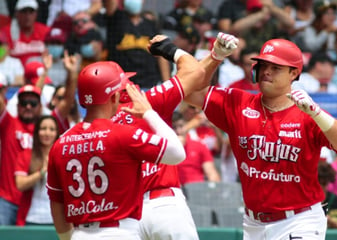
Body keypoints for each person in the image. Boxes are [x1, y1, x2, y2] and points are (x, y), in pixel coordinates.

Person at [185, 38, 337, 239]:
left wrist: (317, 113)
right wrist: (215, 57)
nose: (266, 71)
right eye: (263, 65)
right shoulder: (238, 103)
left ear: (294, 73)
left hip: (299, 220)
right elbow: (189, 91)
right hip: (253, 223)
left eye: (276, 67)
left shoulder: (308, 113)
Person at [112, 32, 238, 240]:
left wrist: (215, 56)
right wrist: (169, 49)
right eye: (125, 82)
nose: (130, 84)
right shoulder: (148, 101)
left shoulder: (93, 127)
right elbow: (193, 72)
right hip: (163, 204)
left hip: (123, 214)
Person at [46, 61, 187, 240]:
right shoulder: (122, 135)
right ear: (113, 97)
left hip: (80, 234)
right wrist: (149, 113)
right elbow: (177, 154)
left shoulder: (60, 143)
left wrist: (68, 238)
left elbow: (57, 205)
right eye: (119, 92)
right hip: (120, 233)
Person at [0, 84, 43, 225]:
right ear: (18, 105)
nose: (28, 106)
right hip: (6, 201)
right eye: (24, 103)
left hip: (34, 205)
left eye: (33, 103)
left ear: (40, 106)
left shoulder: (46, 130)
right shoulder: (9, 124)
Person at [104, 0, 170, 88]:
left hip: (149, 84)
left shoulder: (150, 24)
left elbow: (161, 55)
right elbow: (110, 4)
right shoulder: (116, 19)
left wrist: (167, 84)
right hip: (121, 85)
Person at [15, 115, 60, 226]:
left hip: (57, 220)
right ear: (37, 132)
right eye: (43, 128)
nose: (47, 133)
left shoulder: (62, 156)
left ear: (57, 133)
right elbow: (20, 184)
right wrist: (41, 172)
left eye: (52, 129)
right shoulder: (26, 155)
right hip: (31, 218)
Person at [173, 111, 221, 185]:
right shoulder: (164, 150)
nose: (178, 131)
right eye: (174, 127)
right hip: (175, 191)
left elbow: (212, 174)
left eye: (181, 126)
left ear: (186, 126)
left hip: (197, 191)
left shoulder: (199, 146)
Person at [0, 0, 50, 66]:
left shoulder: (45, 31)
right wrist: (3, 52)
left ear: (36, 14)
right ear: (16, 13)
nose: (27, 16)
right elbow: (1, 56)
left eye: (31, 12)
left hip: (39, 71)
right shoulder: (5, 32)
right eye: (24, 11)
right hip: (15, 73)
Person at [317, 161, 337, 229]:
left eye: (324, 183)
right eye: (317, 183)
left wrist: (331, 222)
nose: (320, 187)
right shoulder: (305, 202)